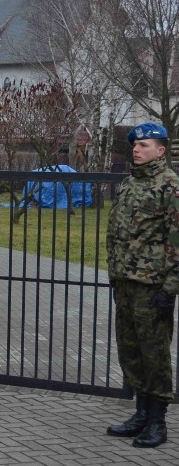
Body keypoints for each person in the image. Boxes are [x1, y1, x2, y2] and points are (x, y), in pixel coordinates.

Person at [105, 122, 178, 449]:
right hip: (125, 282)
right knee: (130, 350)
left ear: (160, 150)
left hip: (153, 286)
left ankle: (158, 421)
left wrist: (170, 288)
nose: (136, 149)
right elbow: (114, 232)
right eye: (135, 145)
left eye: (144, 145)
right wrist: (113, 272)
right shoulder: (128, 184)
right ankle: (140, 414)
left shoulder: (170, 186)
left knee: (154, 353)